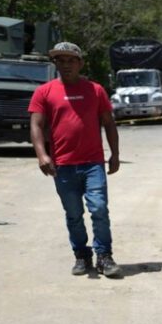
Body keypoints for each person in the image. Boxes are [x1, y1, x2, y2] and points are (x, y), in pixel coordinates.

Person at [28, 42, 121, 278]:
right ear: (55, 64)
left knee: (99, 209)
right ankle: (81, 255)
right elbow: (36, 125)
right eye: (61, 60)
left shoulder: (96, 90)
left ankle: (104, 255)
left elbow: (109, 123)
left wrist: (115, 154)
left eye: (71, 60)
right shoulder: (44, 92)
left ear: (80, 63)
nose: (66, 65)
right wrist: (42, 154)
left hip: (93, 164)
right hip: (63, 166)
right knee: (73, 214)